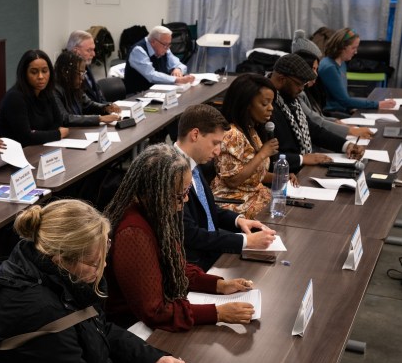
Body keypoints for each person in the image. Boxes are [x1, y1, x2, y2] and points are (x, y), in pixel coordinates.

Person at [0, 199, 197, 363]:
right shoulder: (40, 313)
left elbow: (95, 325)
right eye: (94, 263)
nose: (104, 266)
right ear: (61, 260)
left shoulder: (55, 275)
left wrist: (150, 358)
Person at [103, 143, 256, 332]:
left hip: (160, 312)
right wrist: (218, 313)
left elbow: (175, 264)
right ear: (156, 193)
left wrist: (220, 285)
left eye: (187, 191)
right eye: (180, 194)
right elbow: (154, 311)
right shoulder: (133, 233)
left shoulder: (156, 210)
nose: (186, 200)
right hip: (134, 327)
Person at [175, 104, 276, 271]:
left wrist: (238, 221)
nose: (218, 151)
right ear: (195, 135)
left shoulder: (191, 162)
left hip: (209, 251)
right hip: (193, 265)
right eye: (215, 143)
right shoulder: (173, 172)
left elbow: (207, 209)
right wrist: (245, 241)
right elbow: (189, 234)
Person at [211, 74, 291, 219]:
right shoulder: (231, 134)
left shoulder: (250, 129)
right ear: (246, 104)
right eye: (265, 103)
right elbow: (232, 180)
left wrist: (281, 177)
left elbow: (253, 175)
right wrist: (262, 154)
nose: (271, 108)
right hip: (233, 203)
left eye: (272, 103)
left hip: (252, 196)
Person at [268, 54, 364, 174]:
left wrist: (346, 145)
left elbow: (314, 130)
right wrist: (302, 159)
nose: (301, 89)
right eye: (299, 84)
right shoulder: (265, 105)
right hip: (284, 174)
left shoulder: (288, 98)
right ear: (282, 79)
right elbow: (266, 156)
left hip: (300, 168)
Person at [290, 31, 372, 139]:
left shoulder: (306, 90)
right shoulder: (298, 93)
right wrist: (351, 131)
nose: (315, 74)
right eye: (353, 48)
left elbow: (318, 116)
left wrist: (339, 124)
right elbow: (316, 120)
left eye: (316, 68)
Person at [0, 49, 69, 147]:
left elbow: (58, 122)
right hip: (18, 154)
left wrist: (38, 134)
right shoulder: (14, 98)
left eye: (44, 71)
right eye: (34, 72)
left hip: (41, 147)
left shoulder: (47, 92)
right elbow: (26, 137)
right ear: (24, 74)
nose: (40, 76)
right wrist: (57, 134)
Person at [318, 27, 396, 113]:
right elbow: (344, 101)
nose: (356, 52)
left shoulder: (342, 63)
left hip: (343, 109)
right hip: (333, 113)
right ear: (342, 47)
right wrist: (378, 104)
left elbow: (344, 98)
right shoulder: (329, 68)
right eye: (353, 48)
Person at [53, 51, 121, 126]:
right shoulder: (54, 90)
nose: (83, 78)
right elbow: (65, 118)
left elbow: (88, 104)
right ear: (65, 72)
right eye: (80, 73)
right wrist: (99, 118)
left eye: (84, 73)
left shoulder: (73, 86)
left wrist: (105, 108)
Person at [123, 25, 195, 95]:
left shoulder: (164, 48)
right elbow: (151, 75)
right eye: (165, 44)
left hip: (159, 91)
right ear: (153, 42)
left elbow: (179, 64)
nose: (167, 48)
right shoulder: (138, 51)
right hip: (138, 95)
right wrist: (177, 79)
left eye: (169, 44)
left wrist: (178, 69)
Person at [67, 30, 106, 103]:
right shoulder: (67, 74)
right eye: (89, 50)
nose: (94, 54)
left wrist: (107, 107)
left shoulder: (86, 66)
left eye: (93, 49)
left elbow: (98, 95)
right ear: (76, 51)